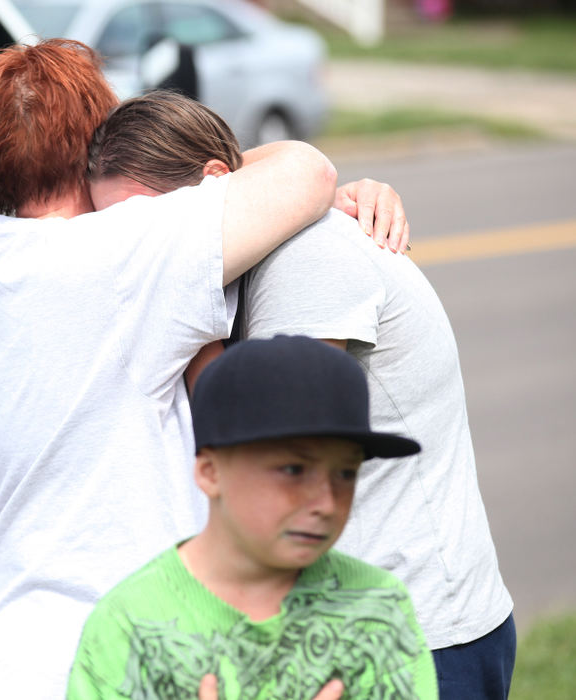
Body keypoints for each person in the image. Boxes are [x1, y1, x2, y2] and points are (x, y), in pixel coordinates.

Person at [0, 40, 410, 699]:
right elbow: (304, 173)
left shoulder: (4, 272)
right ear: (90, 145)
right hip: (81, 659)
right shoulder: (115, 254)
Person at [86, 91, 515, 699]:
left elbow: (261, 443)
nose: (140, 253)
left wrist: (187, 329)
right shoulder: (250, 250)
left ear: (214, 184)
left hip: (413, 636)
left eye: (147, 225)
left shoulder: (305, 257)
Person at [67, 334, 438, 699]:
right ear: (211, 472)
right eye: (294, 470)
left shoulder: (376, 609)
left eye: (345, 473)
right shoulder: (130, 625)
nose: (325, 503)